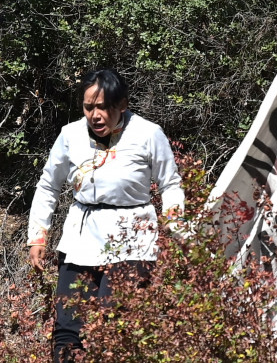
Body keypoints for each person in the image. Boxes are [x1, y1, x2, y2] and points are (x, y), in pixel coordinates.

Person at [26, 68, 185, 363]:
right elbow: (48, 185)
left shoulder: (148, 133)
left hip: (133, 239)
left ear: (122, 104)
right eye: (89, 107)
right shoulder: (70, 135)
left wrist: (176, 229)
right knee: (68, 328)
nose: (95, 115)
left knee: (115, 325)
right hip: (80, 238)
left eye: (103, 107)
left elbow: (170, 184)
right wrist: (38, 235)